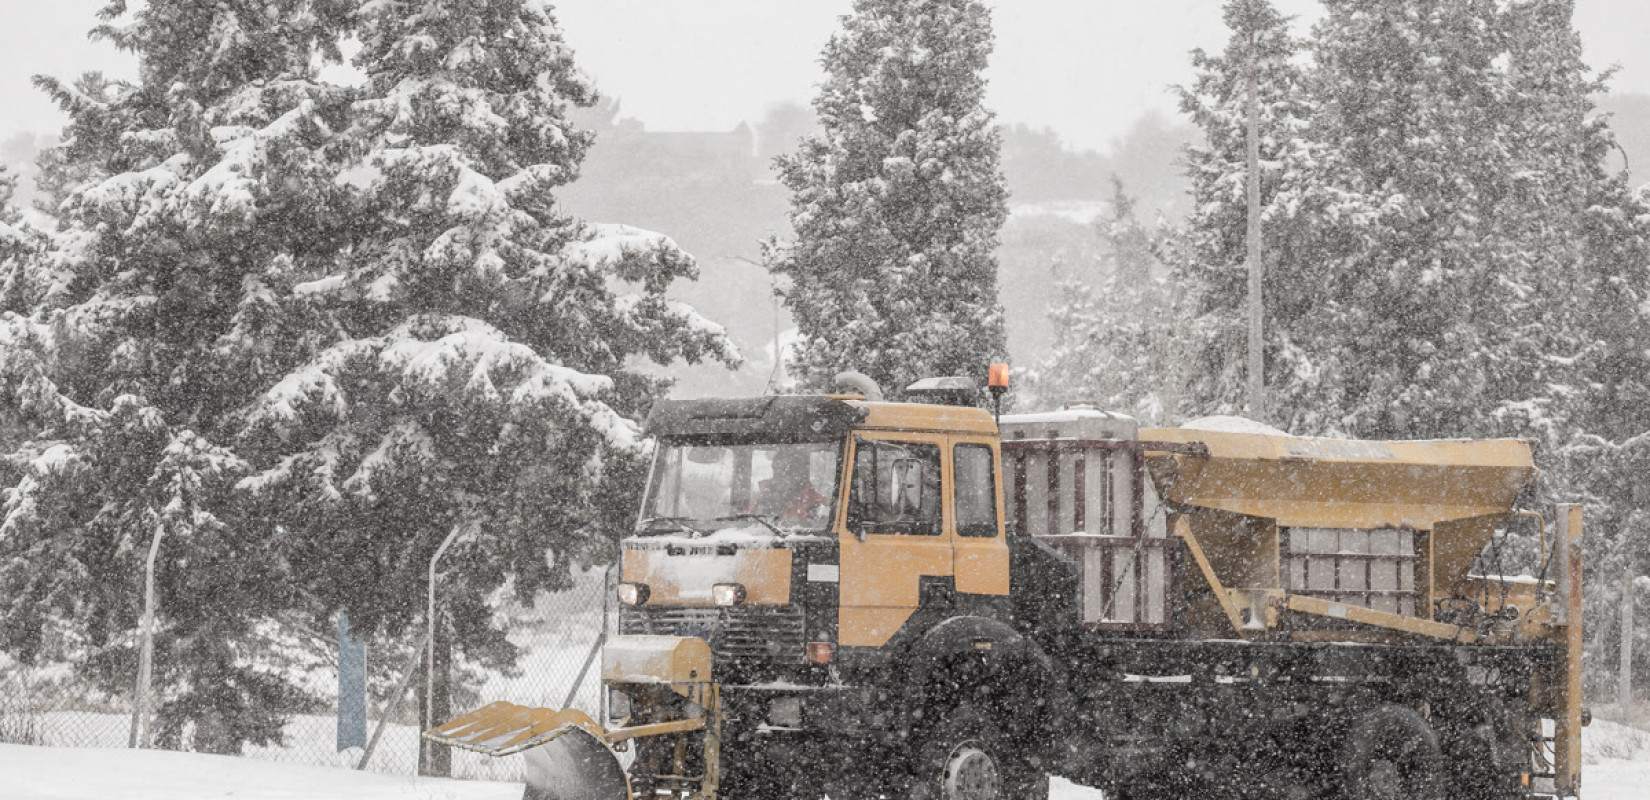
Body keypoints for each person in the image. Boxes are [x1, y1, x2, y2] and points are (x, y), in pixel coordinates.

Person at [751, 449, 828, 523]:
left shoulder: (818, 503)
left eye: (788, 471)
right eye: (778, 469)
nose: (782, 476)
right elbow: (743, 525)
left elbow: (819, 532)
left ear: (802, 473)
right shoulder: (762, 498)